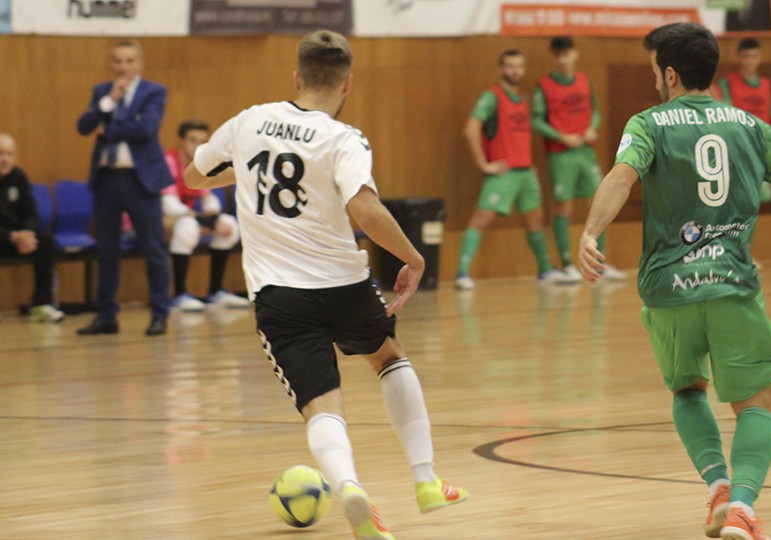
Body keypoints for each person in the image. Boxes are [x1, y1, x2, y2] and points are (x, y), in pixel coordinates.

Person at [578, 23, 771, 540]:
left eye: (657, 70)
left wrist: (591, 232)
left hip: (666, 290)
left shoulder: (649, 123)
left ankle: (718, 487)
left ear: (671, 73)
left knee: (686, 389)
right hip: (730, 286)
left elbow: (621, 176)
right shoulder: (750, 125)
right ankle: (742, 506)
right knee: (755, 405)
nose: (656, 79)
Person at [183, 29, 468, 539]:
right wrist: (412, 257)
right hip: (346, 287)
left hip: (280, 297)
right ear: (347, 84)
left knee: (322, 404)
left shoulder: (249, 121)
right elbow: (365, 209)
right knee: (389, 357)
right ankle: (425, 481)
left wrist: (245, 172)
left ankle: (351, 488)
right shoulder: (343, 138)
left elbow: (195, 176)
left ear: (296, 76)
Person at [76, 40, 172, 336]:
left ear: (140, 64)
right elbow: (83, 126)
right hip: (107, 178)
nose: (124, 67)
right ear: (112, 64)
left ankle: (159, 314)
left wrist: (108, 128)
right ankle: (106, 315)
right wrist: (109, 103)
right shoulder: (102, 91)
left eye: (130, 61)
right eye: (118, 61)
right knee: (107, 249)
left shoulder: (153, 91)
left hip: (140, 179)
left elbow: (147, 130)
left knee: (153, 248)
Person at [456, 49, 572, 290]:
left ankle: (545, 270)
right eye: (510, 66)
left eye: (519, 66)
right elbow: (471, 129)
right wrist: (483, 164)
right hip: (503, 171)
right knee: (481, 220)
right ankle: (462, 273)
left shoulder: (525, 99)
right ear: (501, 69)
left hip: (526, 172)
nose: (515, 71)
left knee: (535, 220)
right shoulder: (491, 97)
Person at [532, 36, 624, 283]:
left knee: (598, 202)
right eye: (558, 56)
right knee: (565, 208)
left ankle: (599, 264)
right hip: (561, 155)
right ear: (554, 57)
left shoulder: (584, 80)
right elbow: (537, 120)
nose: (562, 60)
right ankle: (567, 265)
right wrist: (562, 136)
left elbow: (594, 110)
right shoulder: (545, 85)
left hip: (586, 152)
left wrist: (593, 127)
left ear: (575, 54)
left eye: (566, 54)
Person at [164, 120, 249, 312]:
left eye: (203, 142)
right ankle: (179, 294)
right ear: (181, 142)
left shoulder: (200, 165)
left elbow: (210, 201)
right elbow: (169, 206)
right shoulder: (168, 160)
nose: (197, 147)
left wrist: (214, 219)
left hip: (189, 217)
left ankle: (215, 291)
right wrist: (205, 220)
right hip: (156, 220)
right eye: (193, 141)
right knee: (187, 227)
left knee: (229, 224)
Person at [0, 133, 64, 323]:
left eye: (9, 154)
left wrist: (27, 234)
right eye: (1, 153)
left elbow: (31, 212)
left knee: (45, 242)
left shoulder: (18, 177)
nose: (4, 158)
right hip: (5, 237)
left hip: (16, 239)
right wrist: (11, 237)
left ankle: (42, 305)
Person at [716, 38, 771, 206]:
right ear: (738, 58)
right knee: (737, 195)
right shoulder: (726, 83)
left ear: (760, 57)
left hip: (761, 145)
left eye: (754, 56)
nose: (750, 61)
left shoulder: (766, 84)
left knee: (760, 196)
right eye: (746, 56)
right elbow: (722, 115)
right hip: (737, 145)